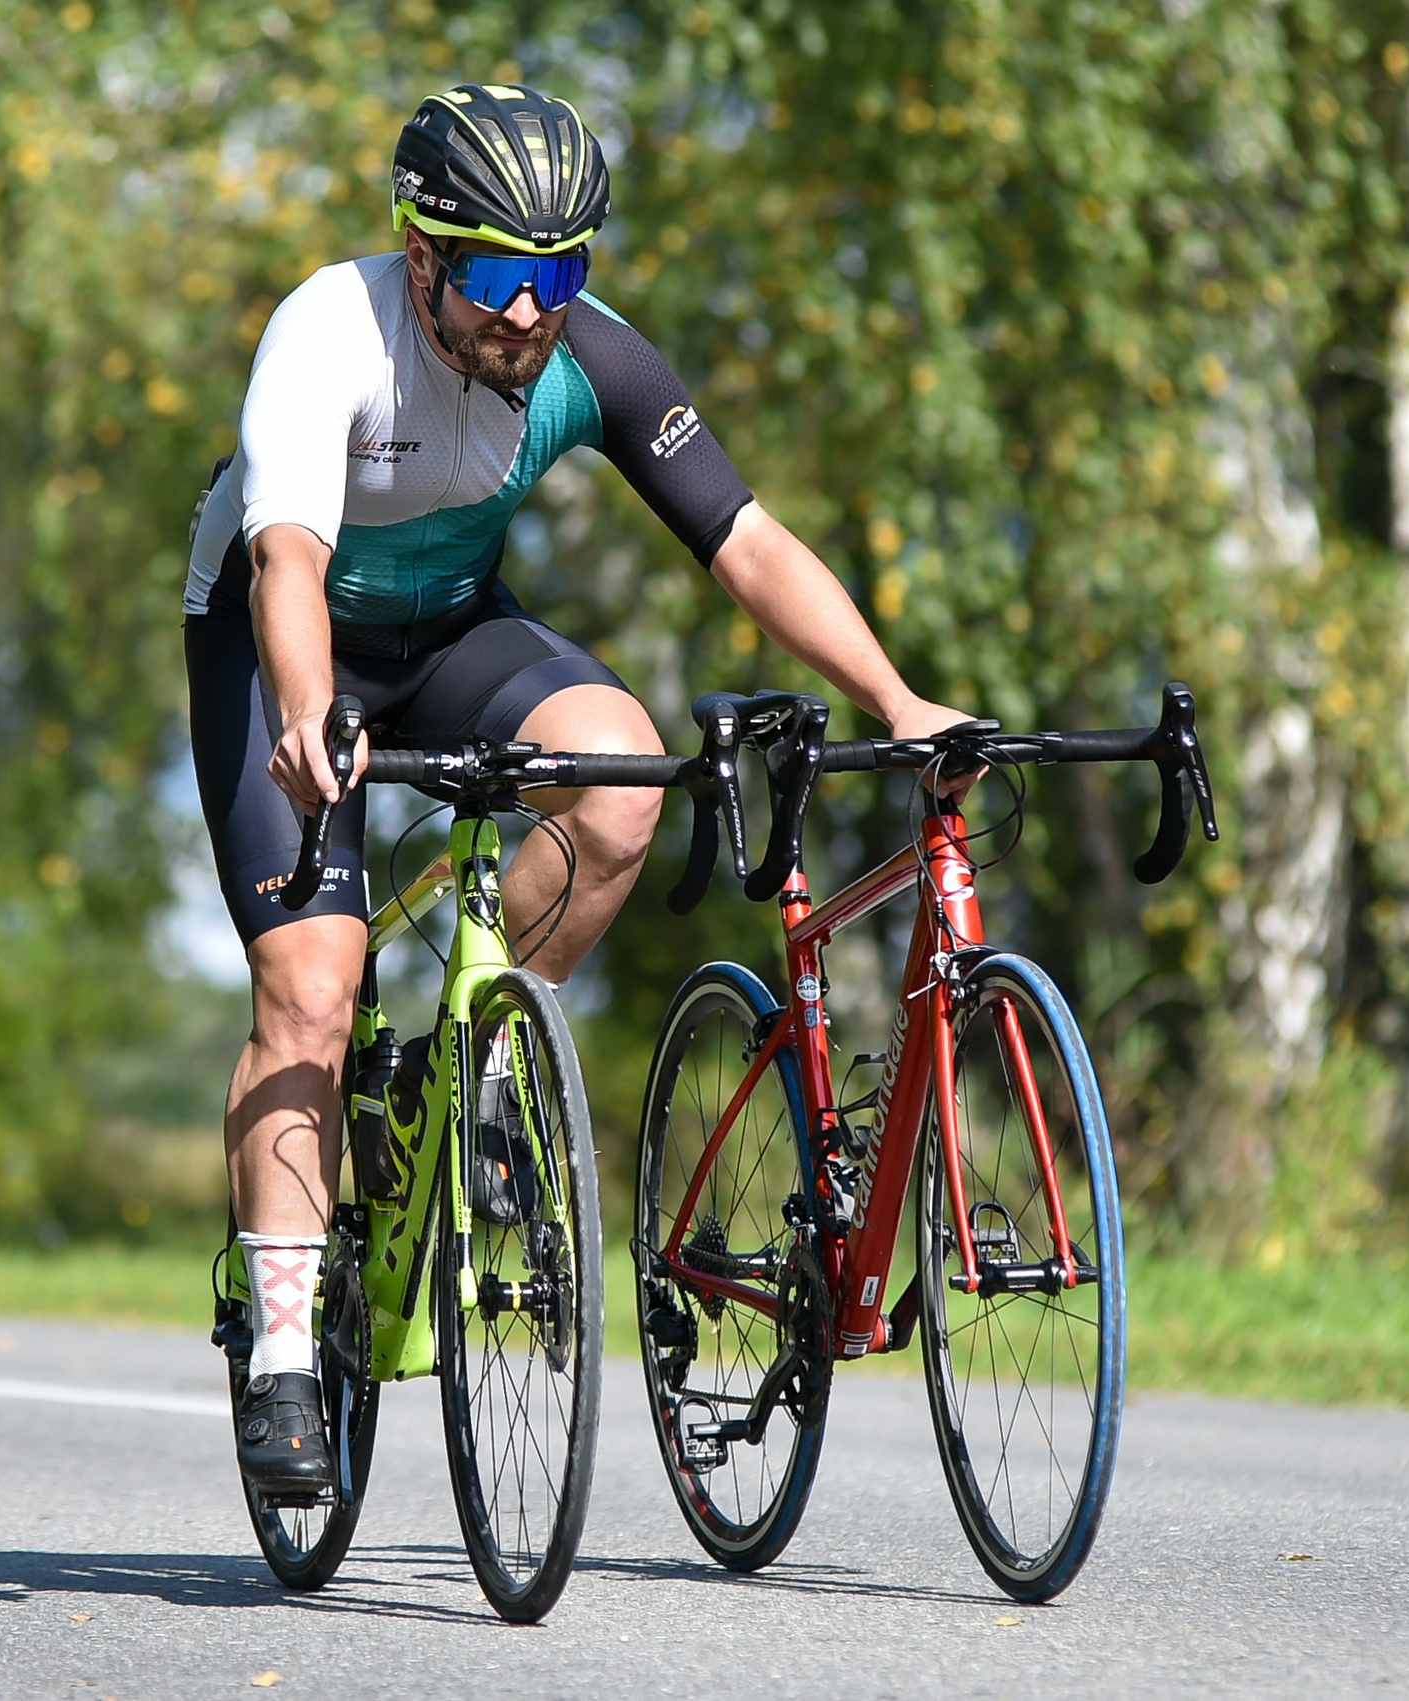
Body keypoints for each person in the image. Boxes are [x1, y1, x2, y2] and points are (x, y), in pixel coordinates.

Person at [184, 83, 968, 1498]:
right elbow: (286, 564)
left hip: (454, 628)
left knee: (616, 776)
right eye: (497, 276)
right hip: (283, 653)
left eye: (563, 275)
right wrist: (307, 717)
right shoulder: (325, 335)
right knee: (309, 985)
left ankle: (478, 1063)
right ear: (420, 255)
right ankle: (289, 1354)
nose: (531, 314)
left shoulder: (578, 359)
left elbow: (745, 541)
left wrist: (900, 703)